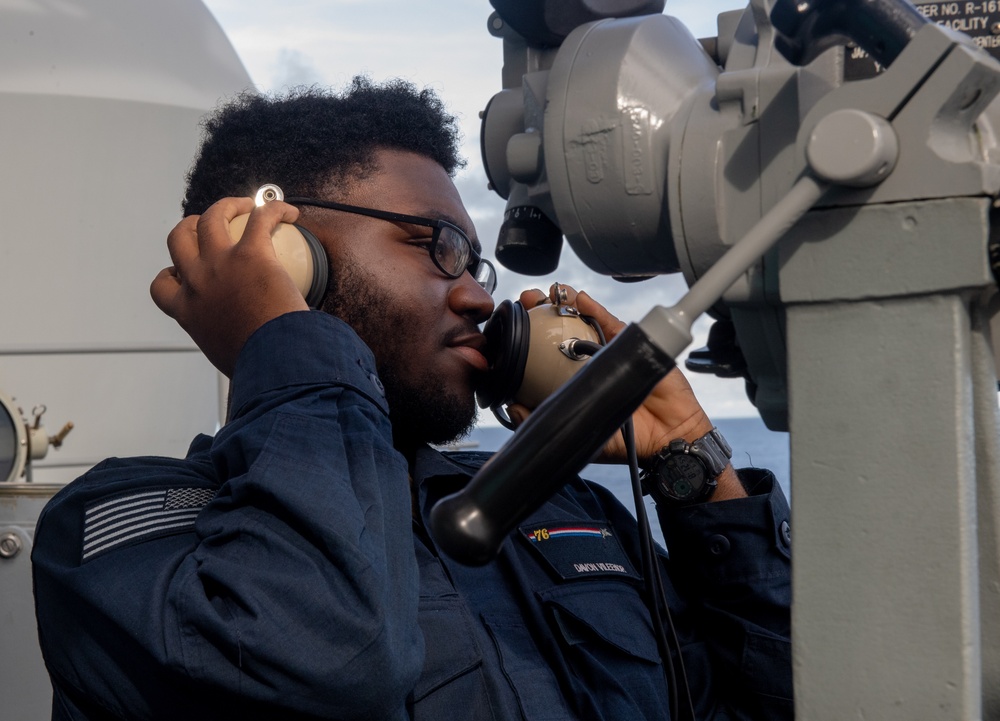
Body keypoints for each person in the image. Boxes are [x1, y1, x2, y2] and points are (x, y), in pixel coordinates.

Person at [31, 78, 792, 721]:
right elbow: (327, 657)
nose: (474, 296)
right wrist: (282, 337)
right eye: (437, 245)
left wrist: (692, 462)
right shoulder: (122, 528)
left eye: (477, 263)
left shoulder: (562, 511)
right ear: (281, 250)